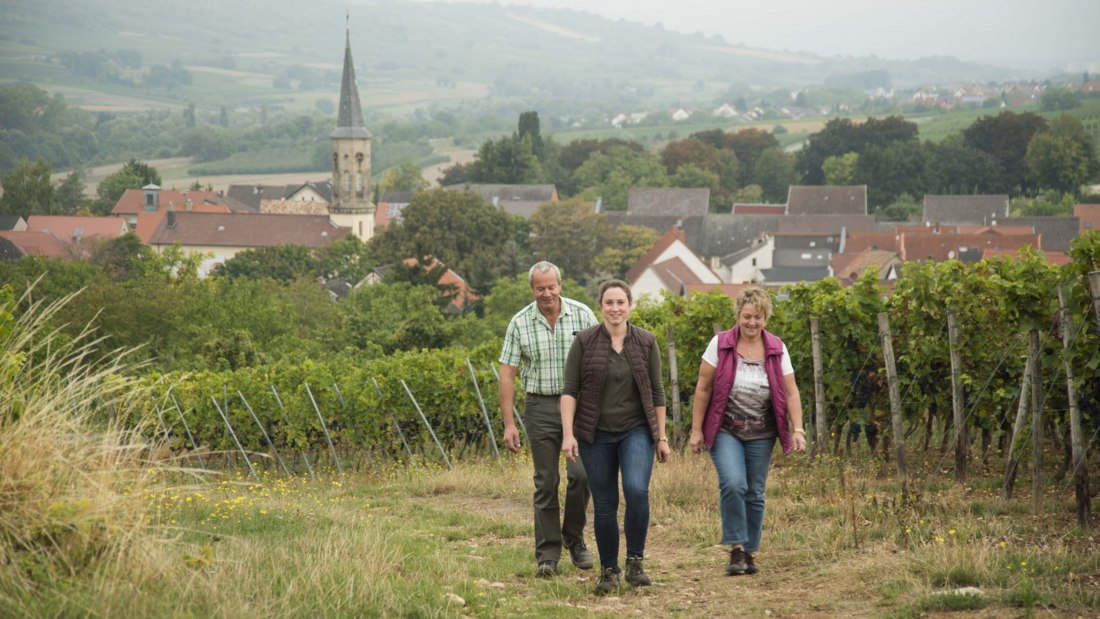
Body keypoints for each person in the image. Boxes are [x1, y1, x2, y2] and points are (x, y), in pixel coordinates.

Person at [560, 280, 671, 595]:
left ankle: (636, 561)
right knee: (605, 503)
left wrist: (661, 438)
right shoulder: (584, 341)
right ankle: (609, 570)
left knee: (636, 489)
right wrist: (568, 434)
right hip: (595, 434)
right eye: (609, 303)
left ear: (630, 306)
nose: (615, 308)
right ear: (600, 306)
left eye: (621, 302)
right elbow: (569, 391)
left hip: (636, 430)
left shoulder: (646, 342)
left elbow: (658, 392)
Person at [689, 287, 806, 576]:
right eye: (746, 317)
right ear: (738, 316)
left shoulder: (777, 348)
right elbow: (703, 388)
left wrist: (798, 429)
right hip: (726, 428)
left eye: (758, 317)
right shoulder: (721, 344)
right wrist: (695, 430)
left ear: (766, 317)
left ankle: (750, 552)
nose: (752, 323)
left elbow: (791, 392)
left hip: (763, 432)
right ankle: (736, 548)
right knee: (733, 483)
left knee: (754, 492)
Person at [499, 261, 598, 578]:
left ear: (561, 285)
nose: (546, 293)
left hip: (579, 407)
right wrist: (509, 423)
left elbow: (601, 360)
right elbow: (507, 374)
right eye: (540, 288)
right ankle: (547, 555)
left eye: (551, 286)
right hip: (539, 407)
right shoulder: (519, 323)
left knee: (582, 475)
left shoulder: (583, 315)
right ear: (532, 290)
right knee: (546, 482)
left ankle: (574, 537)